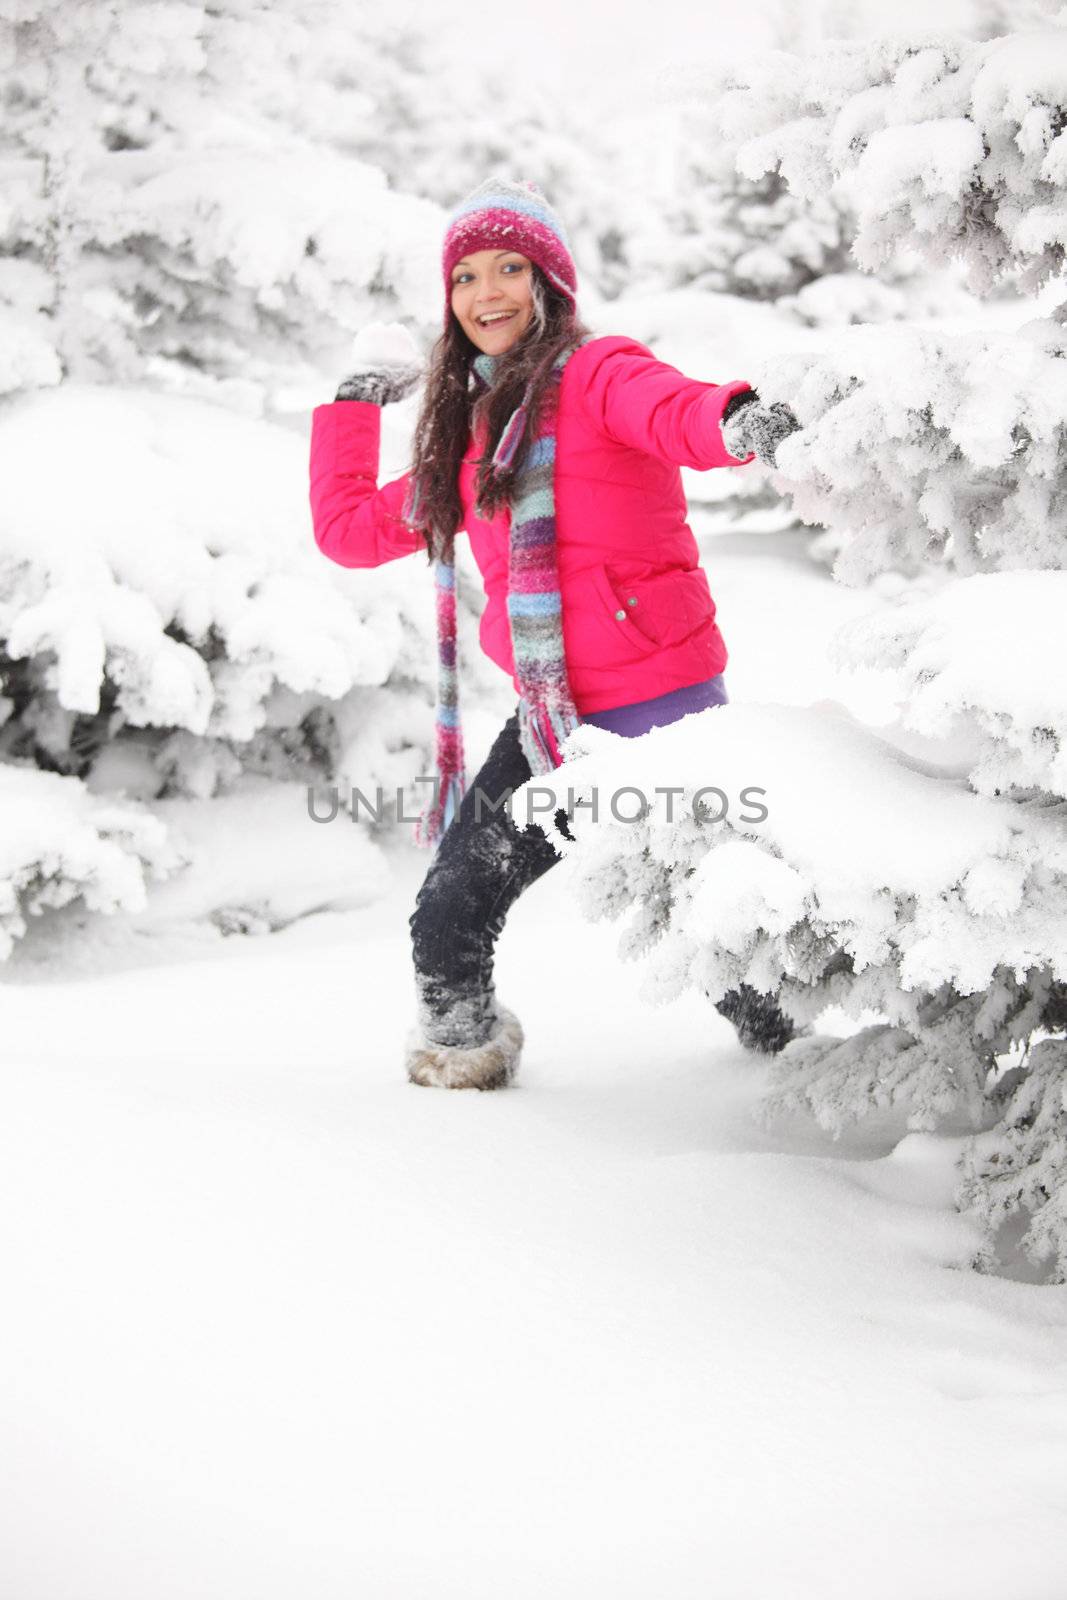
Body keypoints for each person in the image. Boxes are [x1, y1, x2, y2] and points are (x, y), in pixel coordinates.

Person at [309, 178, 801, 1092]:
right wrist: (350, 407)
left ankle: (798, 1066)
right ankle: (461, 1059)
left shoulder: (600, 371)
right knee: (449, 911)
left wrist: (738, 420)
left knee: (721, 932)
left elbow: (677, 410)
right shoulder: (462, 446)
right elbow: (345, 532)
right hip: (552, 726)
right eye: (463, 276)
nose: (485, 292)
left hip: (667, 721)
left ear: (548, 282)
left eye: (508, 268)